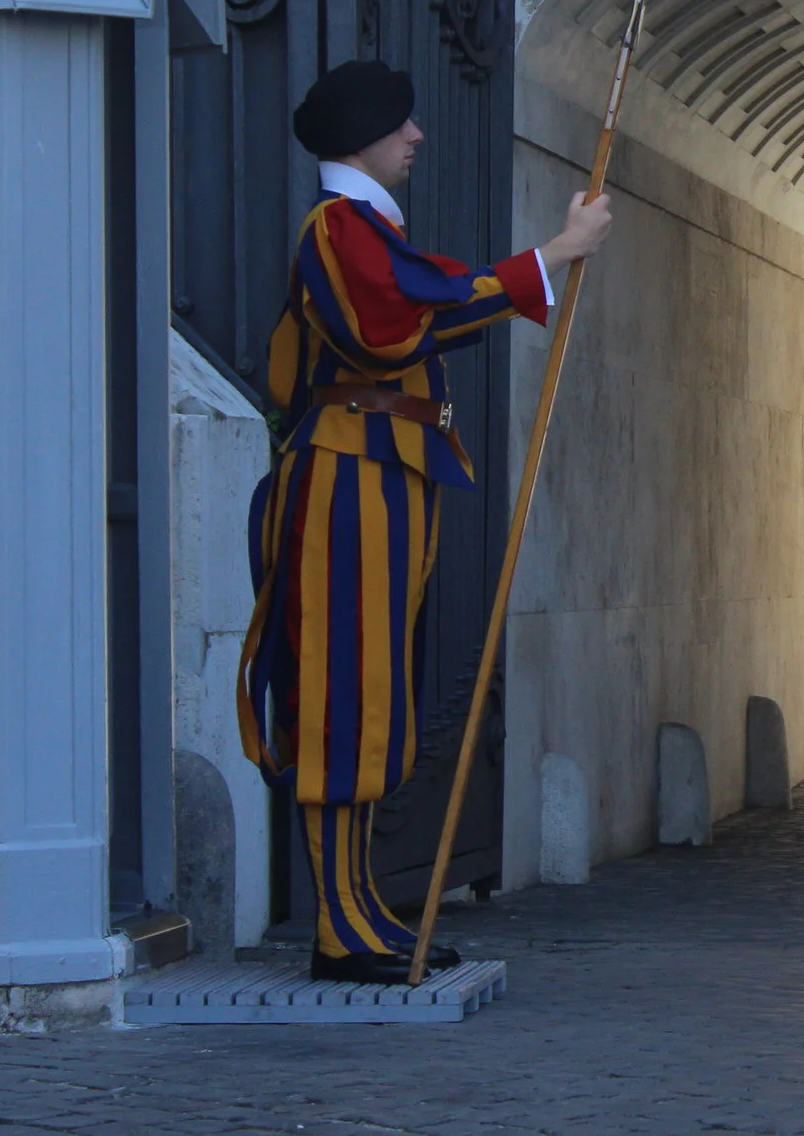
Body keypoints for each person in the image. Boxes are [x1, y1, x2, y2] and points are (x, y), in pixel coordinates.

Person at [238, 58, 613, 984]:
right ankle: (338, 922)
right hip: (347, 474)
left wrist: (537, 270)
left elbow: (425, 303)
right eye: (401, 124)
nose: (415, 137)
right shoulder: (337, 228)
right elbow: (393, 322)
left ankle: (359, 905)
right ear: (363, 135)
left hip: (387, 469)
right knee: (339, 696)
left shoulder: (369, 230)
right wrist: (550, 259)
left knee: (371, 693)